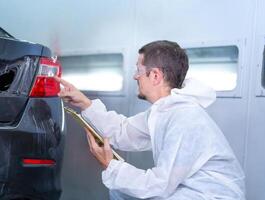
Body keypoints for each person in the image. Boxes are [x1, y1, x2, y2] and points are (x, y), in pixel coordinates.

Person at [56, 40, 245, 200]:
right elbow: (123, 132)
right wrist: (85, 103)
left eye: (139, 70)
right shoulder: (166, 111)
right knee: (119, 190)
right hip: (189, 192)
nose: (135, 76)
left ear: (155, 75)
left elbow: (160, 185)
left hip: (209, 196)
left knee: (121, 188)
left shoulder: (184, 118)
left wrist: (111, 166)